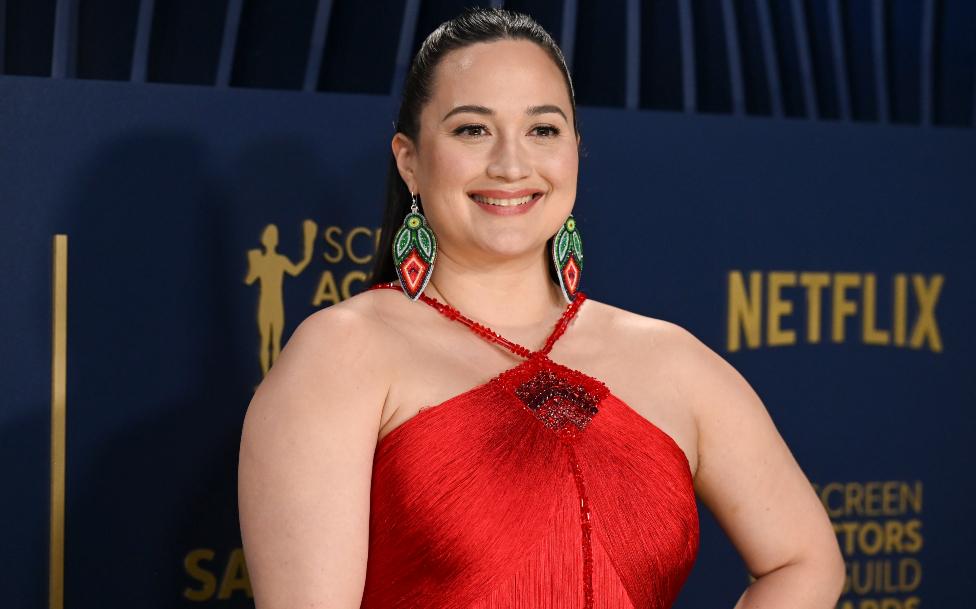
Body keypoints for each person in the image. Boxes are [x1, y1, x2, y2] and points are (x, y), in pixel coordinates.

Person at [237, 7, 844, 609]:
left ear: (575, 151)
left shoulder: (674, 360)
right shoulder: (344, 352)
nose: (510, 164)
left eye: (543, 130)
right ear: (410, 160)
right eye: (472, 129)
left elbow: (804, 561)